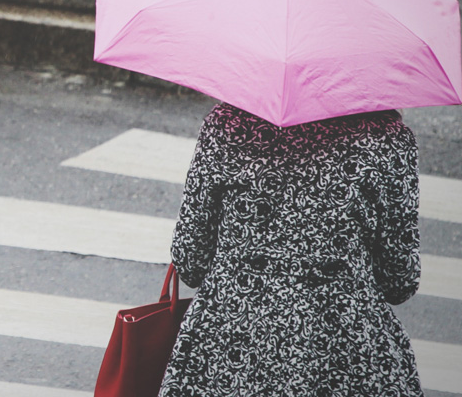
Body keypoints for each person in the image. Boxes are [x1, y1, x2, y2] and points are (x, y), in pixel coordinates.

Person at [159, 103, 424, 397]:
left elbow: (190, 261)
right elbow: (399, 281)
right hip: (342, 347)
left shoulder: (227, 126)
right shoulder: (387, 140)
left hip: (231, 339)